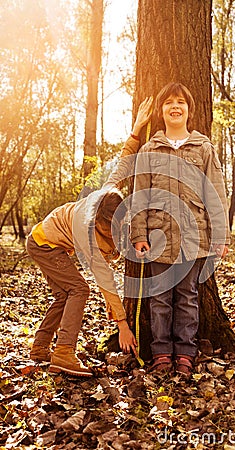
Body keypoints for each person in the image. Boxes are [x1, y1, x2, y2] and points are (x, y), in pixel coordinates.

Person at [27, 97, 153, 377]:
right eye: (107, 228)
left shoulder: (110, 193)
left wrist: (137, 128)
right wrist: (121, 322)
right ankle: (63, 354)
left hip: (48, 242)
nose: (113, 232)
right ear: (97, 221)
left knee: (63, 295)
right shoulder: (87, 231)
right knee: (79, 290)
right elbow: (104, 279)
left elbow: (123, 162)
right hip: (44, 244)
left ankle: (40, 349)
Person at [130, 83, 230, 378]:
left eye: (181, 102)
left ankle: (185, 353)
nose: (175, 107)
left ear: (188, 110)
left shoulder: (203, 148)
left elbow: (216, 194)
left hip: (193, 238)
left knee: (187, 297)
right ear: (161, 112)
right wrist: (139, 235)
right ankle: (161, 352)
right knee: (159, 299)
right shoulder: (150, 150)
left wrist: (220, 236)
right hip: (158, 238)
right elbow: (139, 196)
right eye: (169, 103)